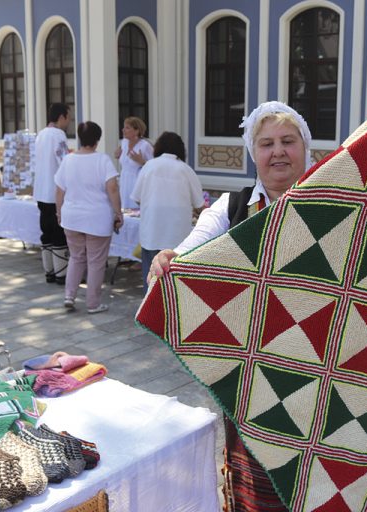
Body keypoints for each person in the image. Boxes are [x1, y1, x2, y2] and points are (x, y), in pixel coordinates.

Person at [149, 101, 312, 511]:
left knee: (320, 483)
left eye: (288, 141)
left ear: (304, 148)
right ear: (253, 153)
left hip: (318, 371)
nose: (278, 151)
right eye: (267, 143)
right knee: (260, 487)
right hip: (253, 377)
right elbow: (189, 251)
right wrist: (170, 260)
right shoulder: (231, 208)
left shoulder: (334, 205)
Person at [55, 121, 123, 314]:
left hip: (72, 216)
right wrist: (118, 212)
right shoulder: (102, 160)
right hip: (97, 218)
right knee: (96, 261)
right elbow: (112, 188)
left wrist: (59, 212)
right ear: (97, 140)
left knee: (76, 257)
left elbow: (59, 190)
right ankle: (93, 303)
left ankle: (69, 295)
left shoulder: (68, 160)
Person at [130, 132, 204, 294]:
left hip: (151, 233)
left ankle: (150, 309)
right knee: (175, 284)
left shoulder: (149, 166)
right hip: (177, 237)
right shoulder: (185, 170)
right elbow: (199, 204)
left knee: (150, 282)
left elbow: (137, 198)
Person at [33, 103, 71, 285]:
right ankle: (61, 274)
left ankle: (49, 272)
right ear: (61, 117)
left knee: (46, 233)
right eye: (68, 117)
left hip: (41, 191)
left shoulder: (41, 134)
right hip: (54, 193)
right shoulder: (58, 135)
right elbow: (64, 162)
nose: (69, 121)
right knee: (58, 234)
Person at [113, 116, 153, 209]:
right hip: (124, 181)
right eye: (124, 127)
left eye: (127, 128)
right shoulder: (124, 142)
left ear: (137, 131)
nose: (123, 130)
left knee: (136, 210)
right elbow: (124, 159)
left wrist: (142, 161)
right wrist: (117, 155)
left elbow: (154, 166)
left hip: (137, 182)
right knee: (125, 209)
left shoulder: (145, 146)